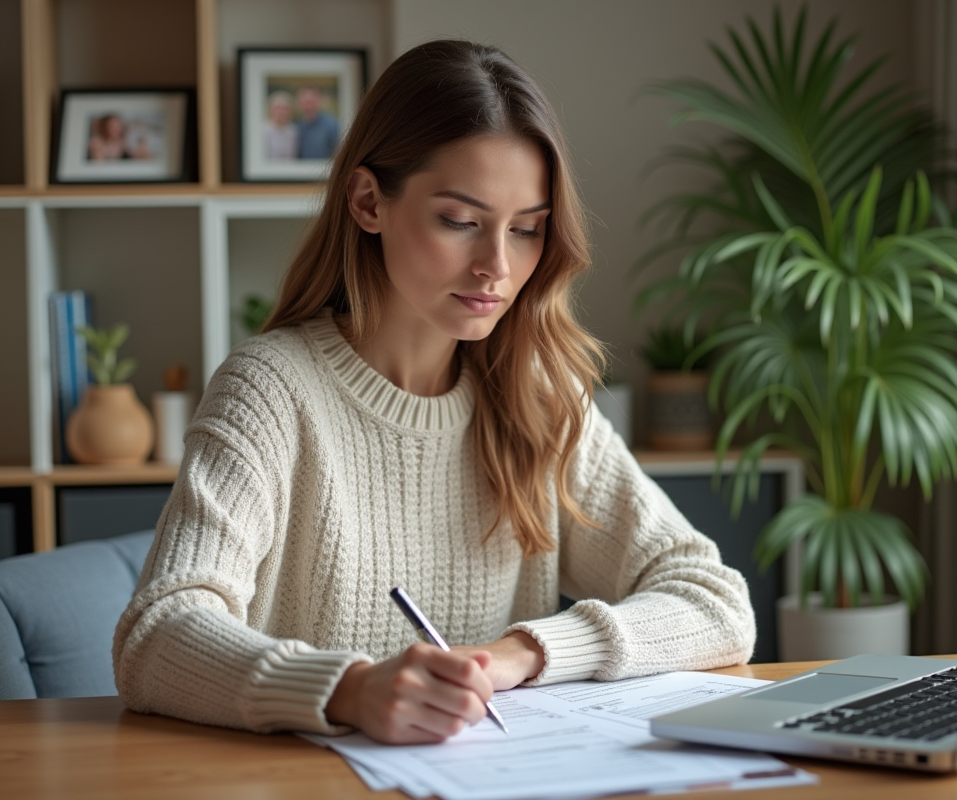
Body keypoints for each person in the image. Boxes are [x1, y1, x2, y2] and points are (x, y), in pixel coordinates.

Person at [112, 39, 755, 745]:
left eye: (527, 230)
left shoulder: (537, 392)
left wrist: (520, 656)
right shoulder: (270, 390)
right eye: (460, 221)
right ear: (368, 202)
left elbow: (717, 603)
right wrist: (350, 691)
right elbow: (157, 634)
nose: (497, 267)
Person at [295, 84, 340, 159]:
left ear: (319, 101)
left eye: (311, 101)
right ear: (299, 103)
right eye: (305, 101)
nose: (308, 105)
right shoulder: (297, 126)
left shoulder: (331, 125)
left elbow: (337, 152)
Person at [264, 90, 298, 160]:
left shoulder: (294, 130)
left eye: (285, 108)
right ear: (270, 109)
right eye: (277, 108)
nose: (281, 112)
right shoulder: (263, 130)